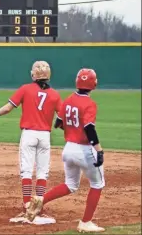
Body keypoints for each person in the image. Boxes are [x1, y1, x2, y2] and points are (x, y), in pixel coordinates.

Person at [25, 68, 105, 233]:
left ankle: (40, 200)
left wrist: (72, 130)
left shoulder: (68, 100)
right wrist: (99, 149)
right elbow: (89, 128)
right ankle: (86, 222)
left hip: (68, 149)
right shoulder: (90, 103)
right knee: (97, 184)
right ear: (93, 84)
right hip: (85, 150)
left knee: (70, 184)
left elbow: (58, 123)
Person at [0, 61, 62, 224]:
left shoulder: (26, 89)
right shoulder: (55, 95)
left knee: (26, 171)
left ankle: (28, 206)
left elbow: (7, 108)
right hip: (45, 136)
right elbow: (61, 118)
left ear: (34, 74)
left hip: (29, 134)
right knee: (43, 172)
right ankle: (39, 208)